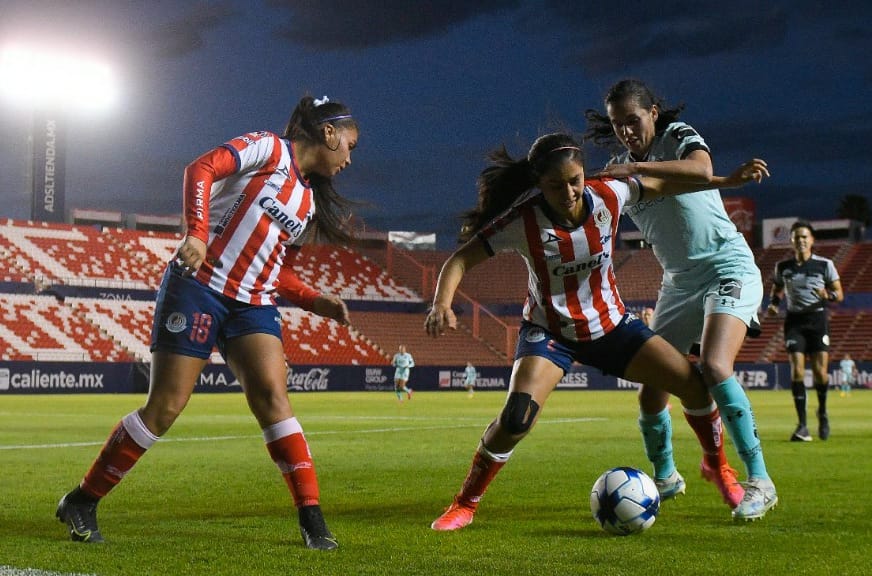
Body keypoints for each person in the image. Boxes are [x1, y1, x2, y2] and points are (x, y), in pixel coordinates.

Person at [424, 132, 775, 532]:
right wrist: (441, 303)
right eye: (556, 185)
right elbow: (460, 259)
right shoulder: (523, 220)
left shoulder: (609, 194)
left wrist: (725, 182)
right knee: (517, 417)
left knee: (694, 385)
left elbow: (666, 183)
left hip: (611, 326)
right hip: (551, 333)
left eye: (574, 180)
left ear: (583, 174)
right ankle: (465, 504)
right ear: (539, 184)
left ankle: (719, 468)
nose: (568, 192)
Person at [55, 95, 359, 550]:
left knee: (275, 399)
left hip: (252, 304)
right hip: (198, 287)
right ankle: (81, 500)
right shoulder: (267, 148)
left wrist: (316, 300)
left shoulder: (307, 205)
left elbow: (275, 268)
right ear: (329, 134)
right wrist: (197, 233)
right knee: (165, 408)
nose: (350, 158)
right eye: (350, 144)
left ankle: (312, 519)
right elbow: (200, 169)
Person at [585, 79, 773, 511]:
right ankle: (666, 477)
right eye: (618, 126)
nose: (627, 133)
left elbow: (699, 171)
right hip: (678, 283)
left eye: (633, 121)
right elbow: (668, 188)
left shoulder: (676, 134)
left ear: (653, 112)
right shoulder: (621, 169)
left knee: (713, 365)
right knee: (651, 392)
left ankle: (760, 480)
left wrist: (637, 169)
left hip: (727, 266)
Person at [766, 221, 843, 442]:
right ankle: (802, 425)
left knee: (820, 373)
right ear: (791, 240)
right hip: (794, 322)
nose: (801, 240)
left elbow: (839, 295)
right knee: (797, 372)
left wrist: (826, 295)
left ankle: (823, 412)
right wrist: (773, 304)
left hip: (817, 320)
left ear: (812, 240)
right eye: (797, 237)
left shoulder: (825, 265)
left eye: (804, 237)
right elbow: (777, 287)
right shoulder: (783, 266)